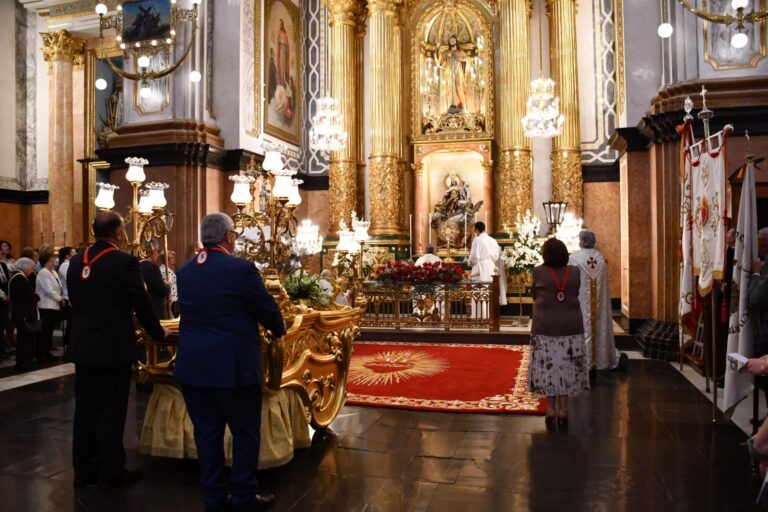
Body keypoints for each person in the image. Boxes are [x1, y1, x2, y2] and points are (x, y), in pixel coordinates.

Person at [175, 213, 286, 512]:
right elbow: (266, 309)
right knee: (245, 434)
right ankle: (244, 497)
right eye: (234, 234)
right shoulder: (240, 269)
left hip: (193, 367)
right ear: (228, 237)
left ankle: (213, 498)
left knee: (207, 435)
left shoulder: (184, 272)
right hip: (233, 368)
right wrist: (279, 328)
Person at [67, 212, 169, 488]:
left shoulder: (76, 262)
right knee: (111, 410)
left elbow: (76, 300)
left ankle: (84, 469)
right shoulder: (124, 262)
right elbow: (141, 303)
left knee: (85, 409)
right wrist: (159, 333)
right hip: (112, 348)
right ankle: (111, 471)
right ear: (119, 234)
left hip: (83, 346)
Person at [529, 238, 589, 427]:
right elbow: (576, 291)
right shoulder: (575, 272)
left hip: (544, 325)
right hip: (571, 326)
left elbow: (534, 295)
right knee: (566, 366)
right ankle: (563, 409)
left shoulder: (538, 272)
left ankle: (550, 408)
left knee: (548, 367)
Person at [569, 229, 628, 372]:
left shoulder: (574, 259)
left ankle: (581, 361)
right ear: (594, 242)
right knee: (599, 325)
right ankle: (602, 359)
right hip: (600, 305)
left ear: (581, 241)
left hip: (580, 304)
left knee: (583, 326)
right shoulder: (601, 259)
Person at [468, 221, 507, 305]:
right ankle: (490, 315)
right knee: (489, 290)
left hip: (480, 268)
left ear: (477, 230)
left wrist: (469, 262)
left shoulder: (477, 240)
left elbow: (474, 256)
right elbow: (496, 256)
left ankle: (479, 315)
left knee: (480, 291)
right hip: (491, 267)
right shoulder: (493, 240)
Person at [8, 257, 38, 371]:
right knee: (25, 340)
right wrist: (35, 296)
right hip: (23, 313)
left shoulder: (17, 277)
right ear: (25, 266)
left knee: (24, 339)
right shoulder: (20, 278)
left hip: (19, 312)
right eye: (31, 267)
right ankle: (24, 363)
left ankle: (24, 361)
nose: (32, 270)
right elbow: (29, 296)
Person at [35, 252, 63, 363]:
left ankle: (47, 352)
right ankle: (41, 354)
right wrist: (59, 299)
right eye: (52, 260)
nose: (54, 262)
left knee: (49, 331)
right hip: (46, 306)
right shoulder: (43, 273)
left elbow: (58, 287)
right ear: (46, 262)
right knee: (45, 331)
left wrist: (60, 298)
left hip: (53, 306)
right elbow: (48, 290)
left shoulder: (54, 273)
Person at [140, 239, 172, 320]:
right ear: (152, 250)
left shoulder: (138, 264)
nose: (158, 254)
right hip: (156, 311)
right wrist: (168, 285)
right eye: (157, 251)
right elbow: (162, 291)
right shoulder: (151, 267)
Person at [58, 246, 76, 357]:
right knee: (71, 324)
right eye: (73, 253)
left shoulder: (69, 264)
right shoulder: (65, 265)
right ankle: (69, 346)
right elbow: (71, 278)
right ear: (67, 255)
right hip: (67, 297)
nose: (76, 254)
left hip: (70, 296)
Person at [159, 251, 178, 317]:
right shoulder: (165, 270)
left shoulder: (166, 269)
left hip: (172, 299)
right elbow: (167, 285)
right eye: (171, 258)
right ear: (167, 259)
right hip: (170, 300)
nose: (174, 259)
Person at [0, 242, 10, 359]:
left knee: (2, 325)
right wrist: (3, 296)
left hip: (4, 301)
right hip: (1, 298)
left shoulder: (3, 266)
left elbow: (7, 282)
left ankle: (2, 351)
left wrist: (8, 295)